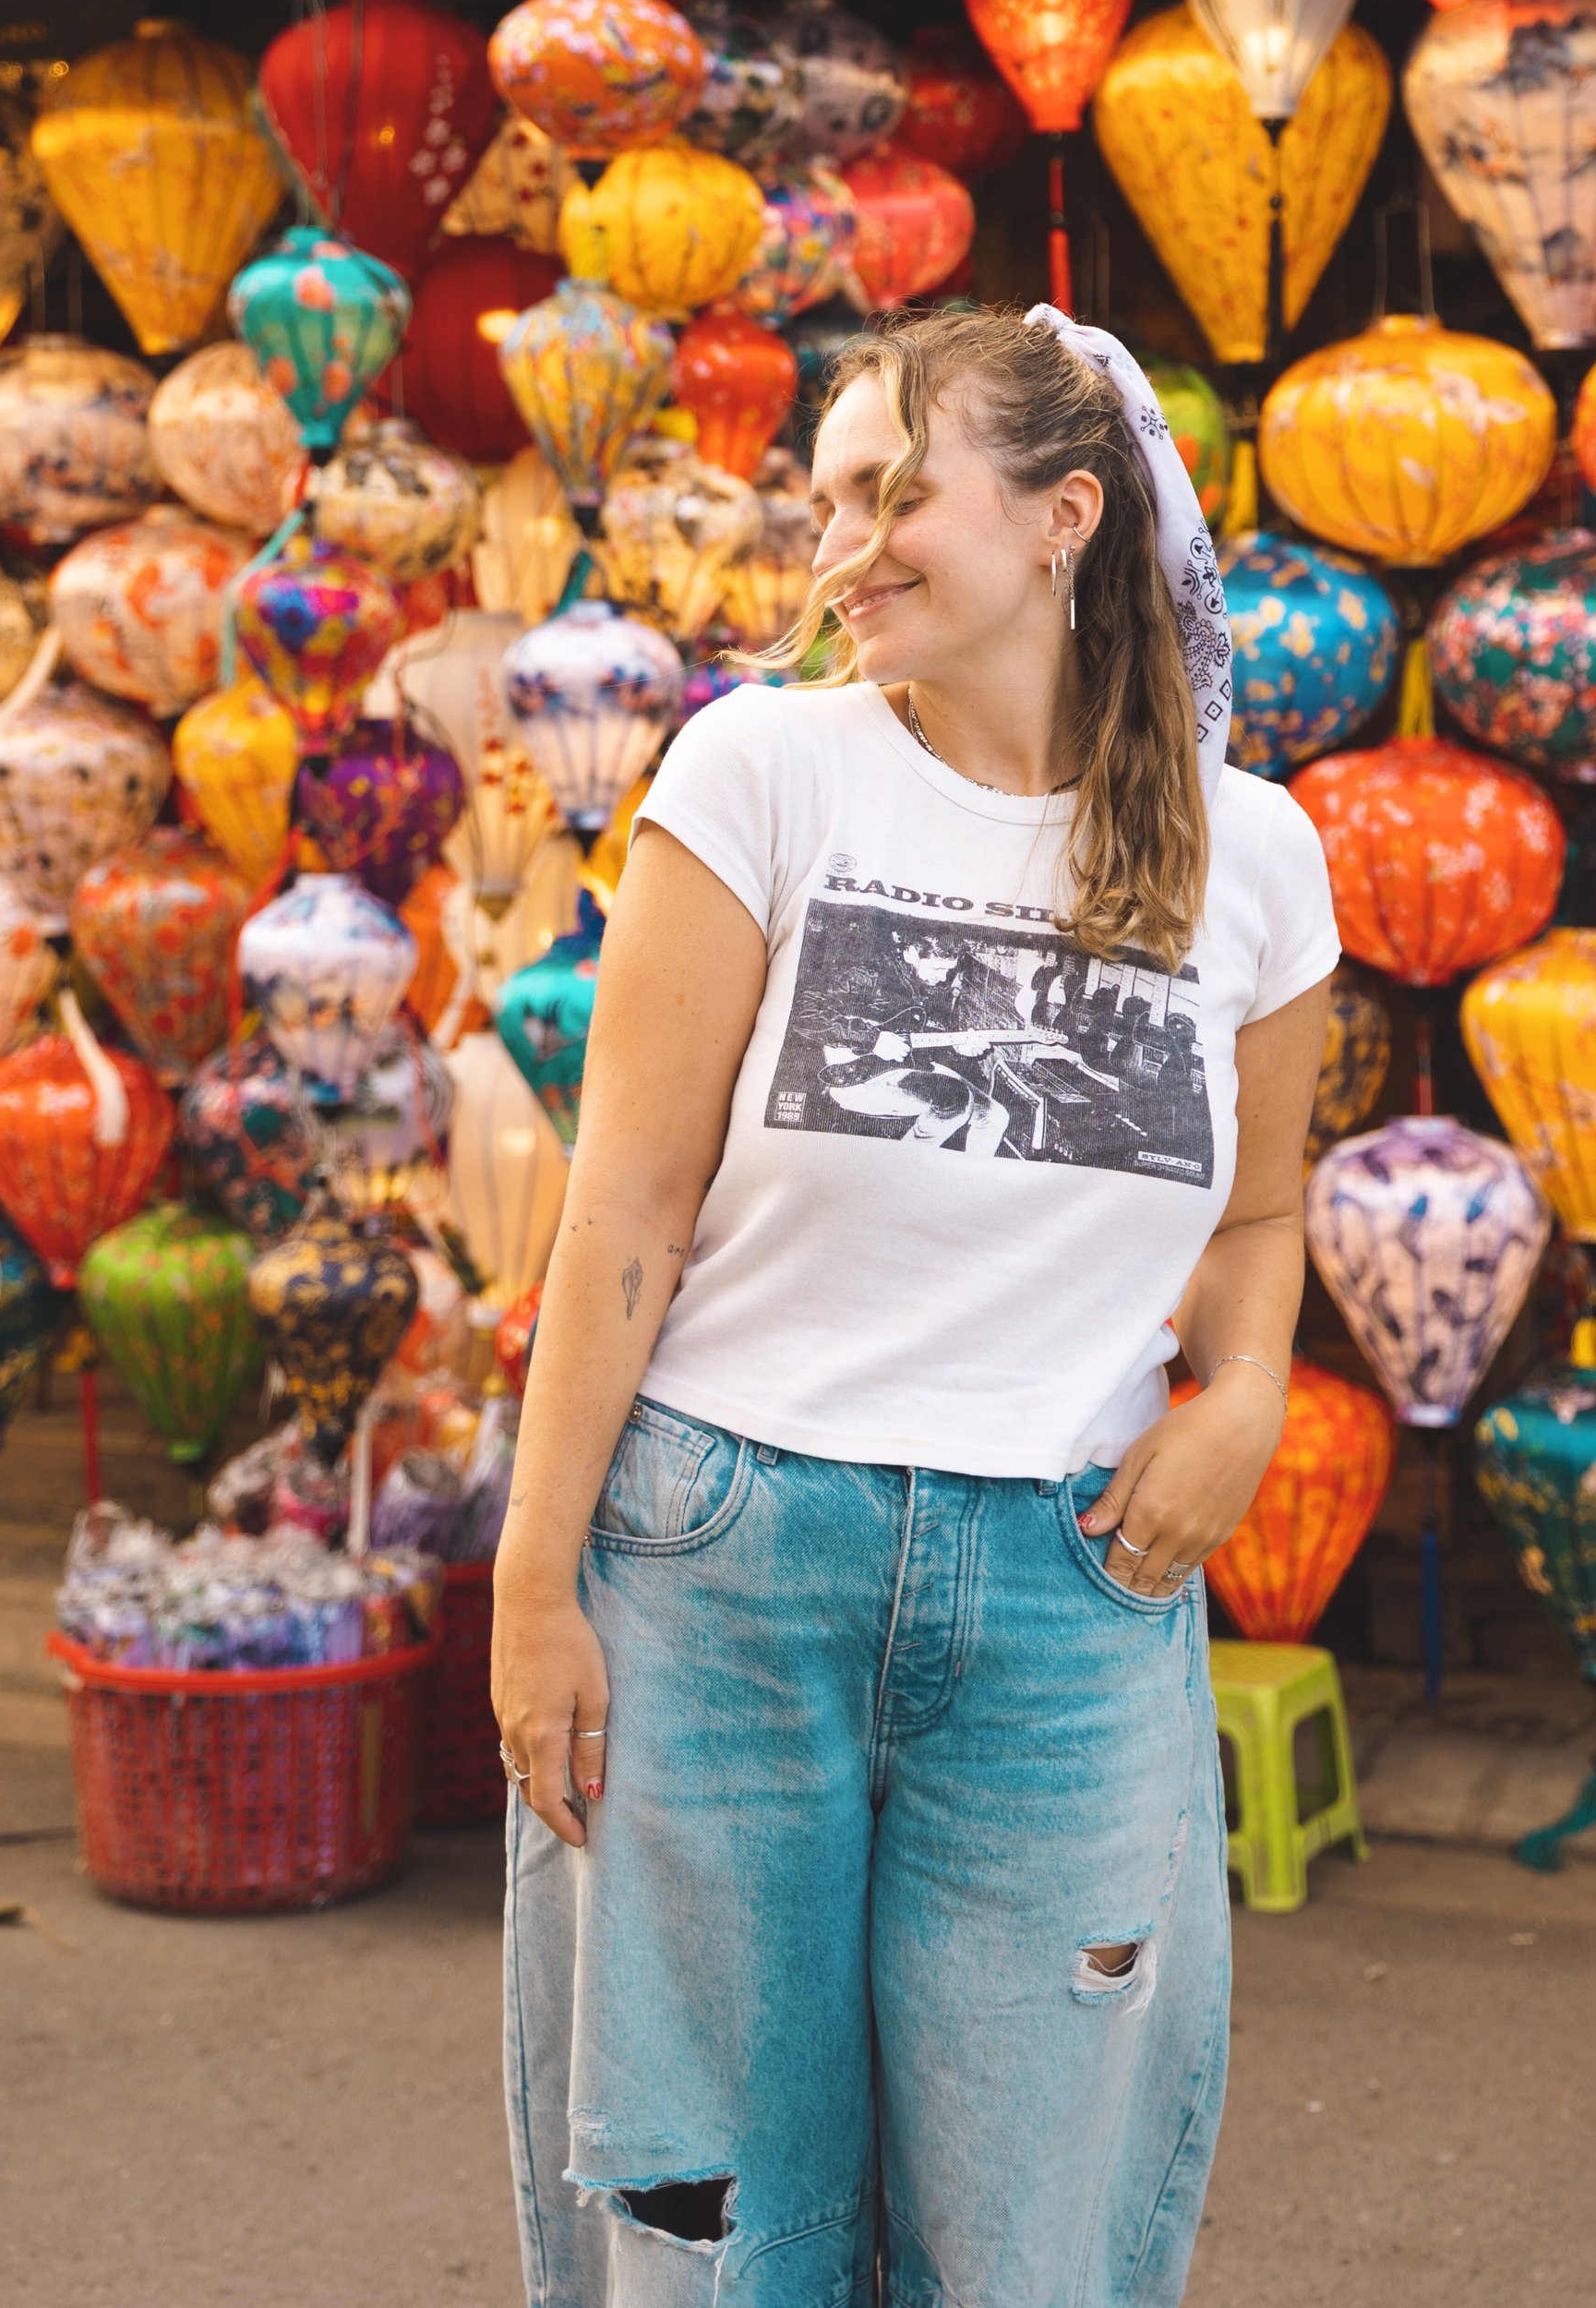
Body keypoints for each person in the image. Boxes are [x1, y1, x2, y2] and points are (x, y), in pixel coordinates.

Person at [493, 304, 1337, 2305]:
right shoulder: (758, 768)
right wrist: (533, 1579)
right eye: (823, 500)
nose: (838, 544)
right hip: (717, 1564)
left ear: (1062, 517)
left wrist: (1243, 1395)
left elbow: (1259, 1214)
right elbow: (626, 1203)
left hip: (1067, 1586)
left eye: (890, 492)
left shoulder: (1256, 858)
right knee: (714, 2213)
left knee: (1033, 2209)